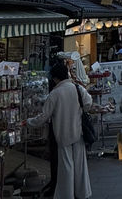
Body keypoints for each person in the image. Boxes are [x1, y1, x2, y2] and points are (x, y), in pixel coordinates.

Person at [27, 62, 92, 199]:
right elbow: (88, 103)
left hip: (63, 135)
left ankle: (67, 195)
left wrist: (29, 122)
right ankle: (82, 193)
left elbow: (44, 116)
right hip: (78, 132)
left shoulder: (55, 94)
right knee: (80, 165)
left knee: (66, 167)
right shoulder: (77, 88)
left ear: (56, 78)